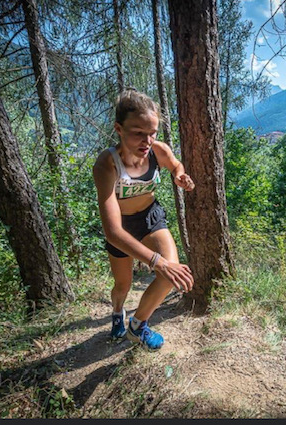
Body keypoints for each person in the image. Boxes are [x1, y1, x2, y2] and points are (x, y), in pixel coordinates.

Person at [93, 89, 195, 352]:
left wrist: (179, 175)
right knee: (123, 284)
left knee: (171, 272)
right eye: (138, 132)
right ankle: (118, 312)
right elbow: (113, 231)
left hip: (150, 218)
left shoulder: (157, 151)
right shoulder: (107, 164)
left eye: (152, 133)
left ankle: (138, 326)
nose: (147, 140)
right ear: (119, 128)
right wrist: (156, 261)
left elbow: (175, 164)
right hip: (122, 228)